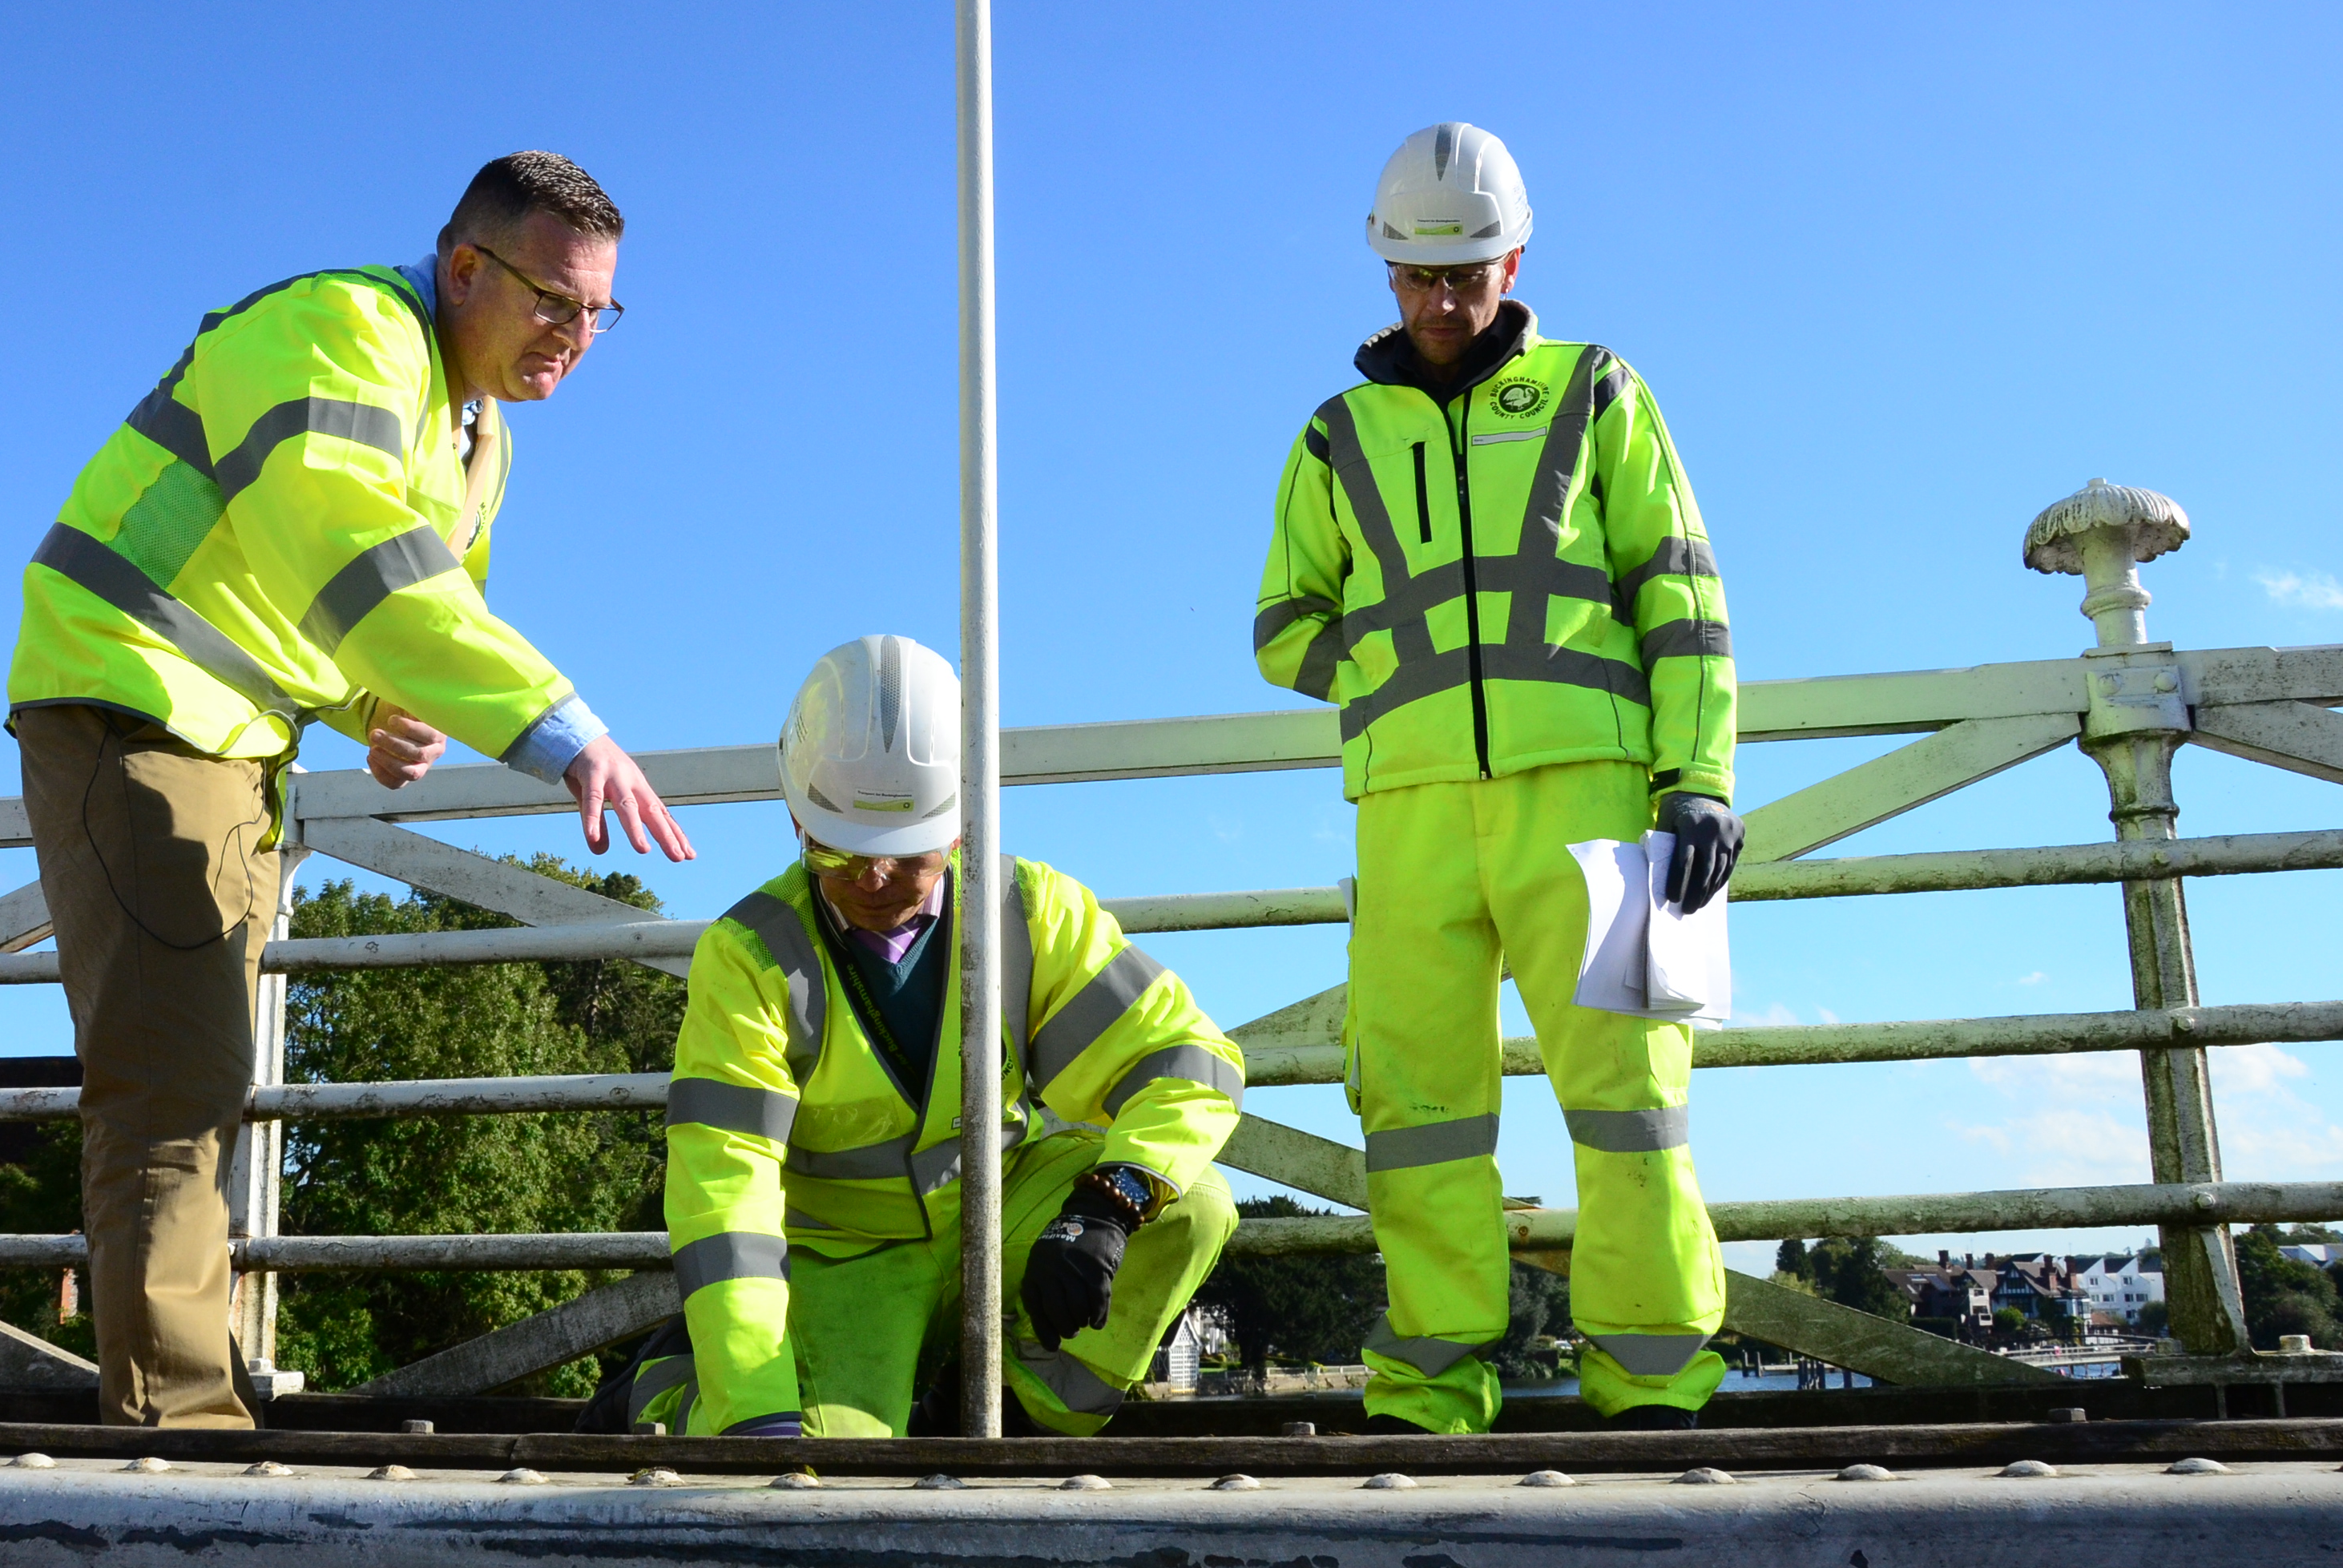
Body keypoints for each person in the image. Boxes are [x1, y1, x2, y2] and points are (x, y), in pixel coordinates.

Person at [7, 151, 692, 1429]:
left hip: (232, 734)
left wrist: (377, 711)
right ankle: (181, 1444)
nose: (579, 336)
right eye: (555, 299)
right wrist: (563, 730)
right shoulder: (341, 329)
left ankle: (185, 1415)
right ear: (465, 266)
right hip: (134, 700)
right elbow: (342, 546)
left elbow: (384, 613)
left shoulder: (479, 437)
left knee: (194, 1084)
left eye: (601, 311)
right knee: (172, 1088)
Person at [1251, 123, 1742, 1435]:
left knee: (1631, 1097)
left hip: (1591, 795)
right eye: (1418, 276)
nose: (1443, 299)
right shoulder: (1333, 434)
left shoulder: (1599, 388)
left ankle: (1652, 1386)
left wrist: (1695, 775)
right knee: (1416, 1111)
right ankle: (1430, 1384)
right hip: (1408, 812)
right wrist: (1400, 657)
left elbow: (1680, 594)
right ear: (1384, 270)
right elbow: (1280, 624)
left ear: (1513, 255)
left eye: (1466, 270)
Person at [622, 635, 1242, 1439]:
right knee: (819, 1457)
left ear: (958, 833)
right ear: (795, 822)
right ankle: (672, 1392)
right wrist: (756, 1414)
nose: (871, 882)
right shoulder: (750, 956)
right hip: (844, 1261)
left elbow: (1189, 1062)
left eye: (903, 855)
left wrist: (1108, 1202)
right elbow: (724, 1193)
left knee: (1192, 1203)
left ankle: (1017, 1419)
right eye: (838, 852)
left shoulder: (1031, 911)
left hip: (1000, 1210)